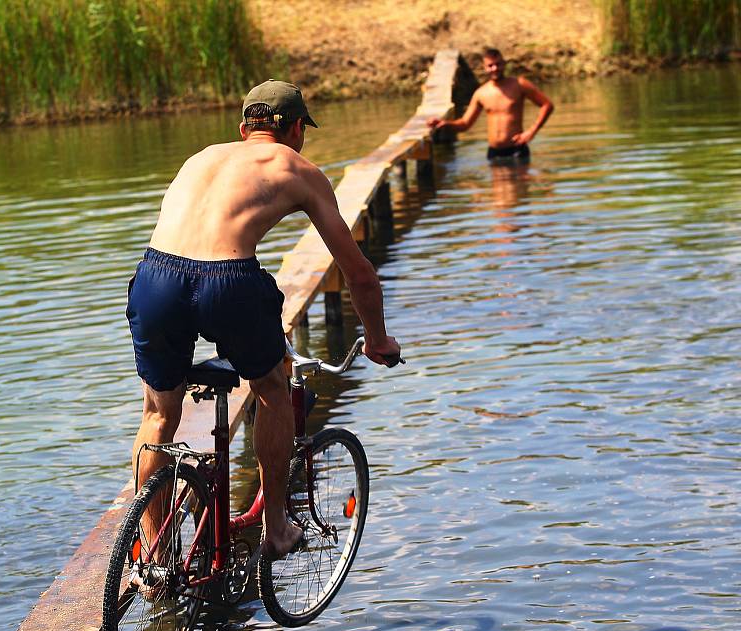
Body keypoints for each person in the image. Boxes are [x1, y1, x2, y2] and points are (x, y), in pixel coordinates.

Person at [126, 80, 401, 562]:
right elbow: (358, 273)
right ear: (296, 129)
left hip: (155, 276)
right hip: (227, 280)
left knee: (157, 414)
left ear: (243, 128)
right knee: (274, 387)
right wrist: (376, 339)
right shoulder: (298, 168)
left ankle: (152, 555)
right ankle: (276, 528)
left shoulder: (201, 157)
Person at [427, 48, 554, 163]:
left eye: (498, 64)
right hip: (494, 153)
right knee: (497, 188)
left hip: (517, 150)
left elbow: (547, 105)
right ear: (484, 68)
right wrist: (445, 124)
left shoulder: (519, 85)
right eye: (490, 65)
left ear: (504, 64)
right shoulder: (481, 93)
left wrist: (531, 131)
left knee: (518, 188)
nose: (495, 68)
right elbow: (465, 124)